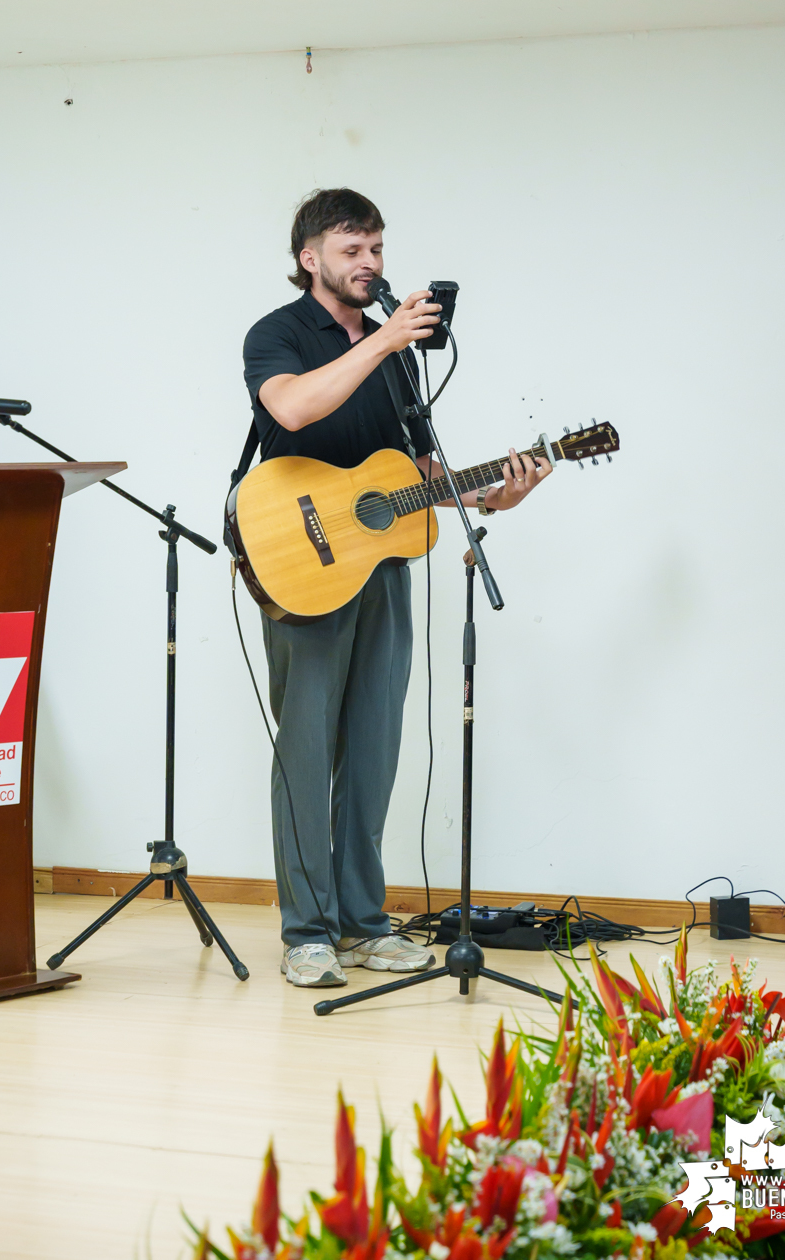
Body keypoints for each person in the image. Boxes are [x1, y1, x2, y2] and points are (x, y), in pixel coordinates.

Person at [242, 188, 551, 987]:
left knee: (374, 750)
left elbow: (412, 474)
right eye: (353, 250)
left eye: (377, 249)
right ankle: (308, 934)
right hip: (298, 563)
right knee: (307, 752)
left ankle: (365, 923)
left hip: (378, 568)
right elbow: (296, 409)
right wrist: (380, 341)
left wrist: (489, 492)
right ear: (310, 258)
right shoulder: (279, 335)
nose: (371, 264)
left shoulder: (401, 359)